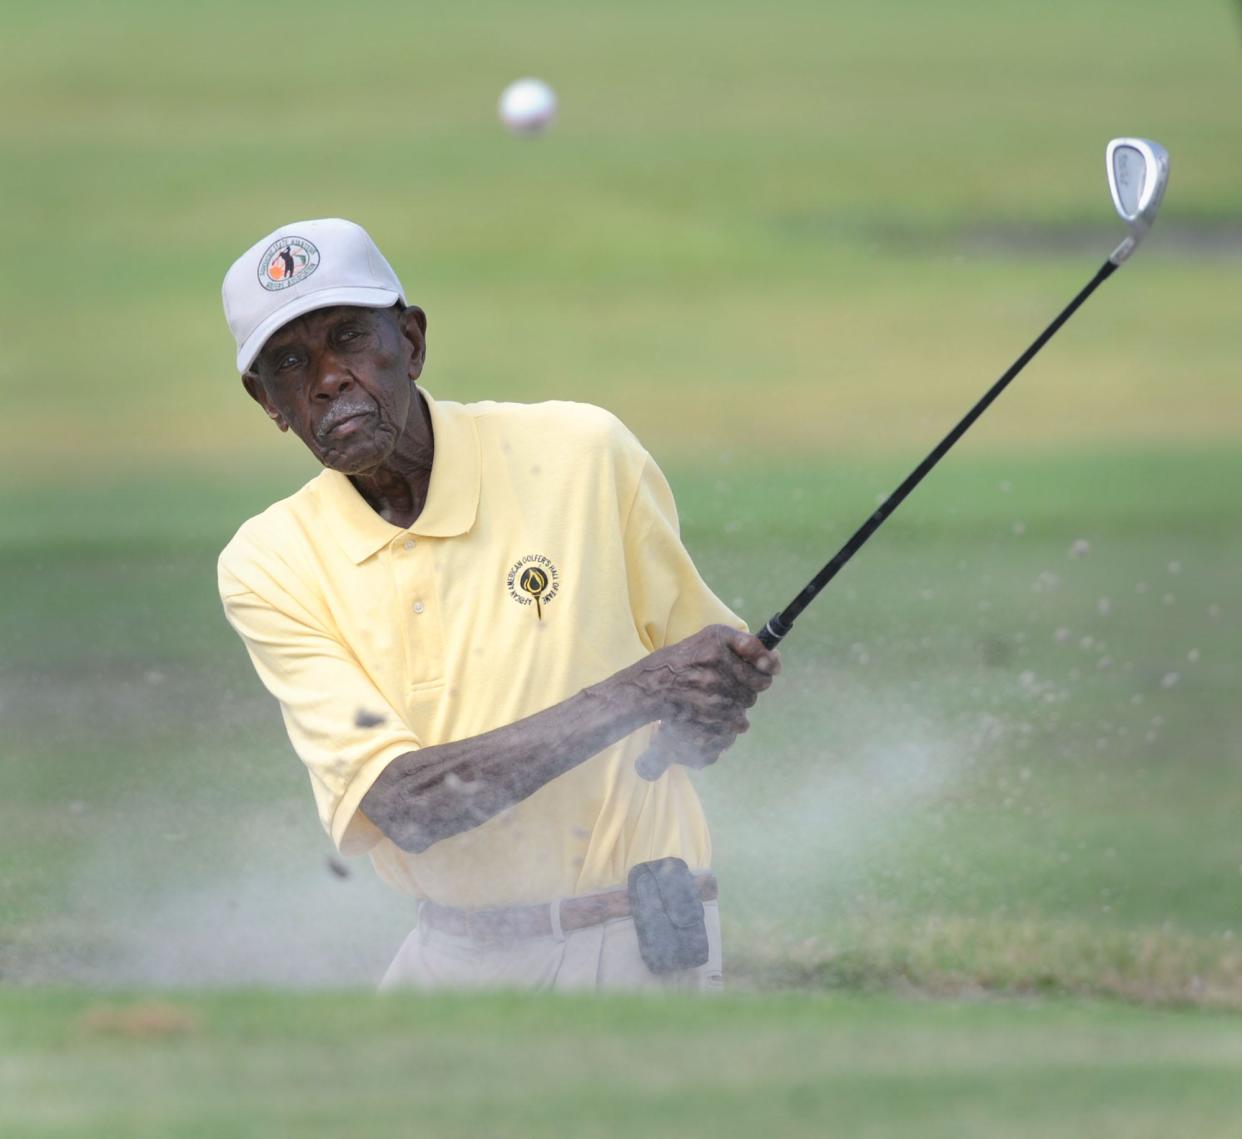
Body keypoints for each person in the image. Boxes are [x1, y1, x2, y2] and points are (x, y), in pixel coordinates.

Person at [218, 218, 781, 991]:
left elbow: (705, 680)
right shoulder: (270, 560)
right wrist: (642, 690)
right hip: (448, 950)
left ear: (410, 342)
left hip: (630, 935)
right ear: (268, 401)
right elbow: (406, 806)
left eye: (348, 337)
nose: (327, 378)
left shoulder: (584, 452)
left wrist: (710, 704)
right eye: (290, 362)